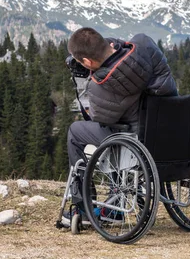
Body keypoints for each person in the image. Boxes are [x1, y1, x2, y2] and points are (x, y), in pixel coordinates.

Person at [66, 27, 178, 169]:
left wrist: (91, 74)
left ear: (87, 62)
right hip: (172, 126)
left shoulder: (100, 84)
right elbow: (125, 48)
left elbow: (100, 120)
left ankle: (79, 190)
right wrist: (110, 52)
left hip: (138, 138)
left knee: (75, 131)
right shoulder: (144, 43)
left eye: (81, 62)